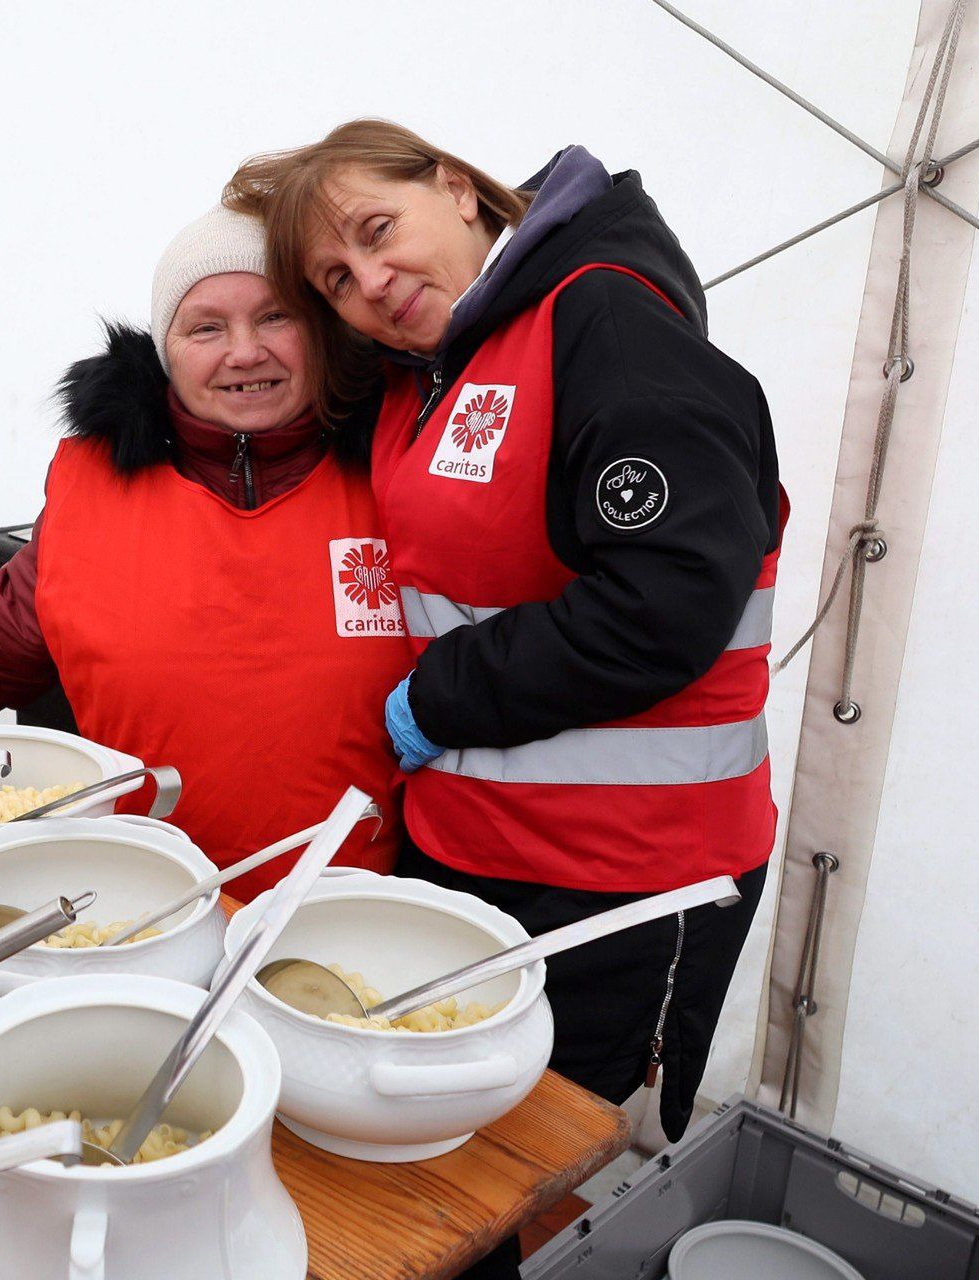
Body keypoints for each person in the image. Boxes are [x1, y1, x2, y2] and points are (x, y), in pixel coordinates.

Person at [228, 120, 781, 1166]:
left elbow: (671, 593)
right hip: (476, 857)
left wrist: (441, 696)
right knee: (461, 1161)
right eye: (338, 279)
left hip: (626, 879)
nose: (373, 282)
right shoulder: (428, 369)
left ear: (457, 185)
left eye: (380, 230)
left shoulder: (605, 320)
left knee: (558, 1168)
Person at [0, 206, 412, 898]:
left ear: (324, 331)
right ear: (165, 352)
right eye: (206, 326)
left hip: (361, 914)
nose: (244, 352)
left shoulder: (403, 473)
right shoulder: (98, 490)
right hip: (140, 903)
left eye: (276, 317)